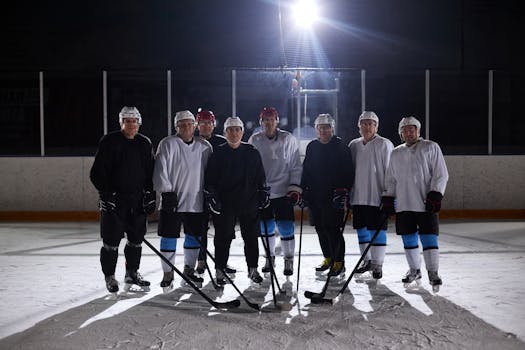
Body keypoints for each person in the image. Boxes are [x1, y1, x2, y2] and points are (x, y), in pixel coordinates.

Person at [90, 106, 155, 295]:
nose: (131, 124)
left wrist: (150, 194)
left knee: (135, 240)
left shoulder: (144, 143)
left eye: (134, 121)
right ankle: (109, 276)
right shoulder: (109, 141)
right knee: (111, 242)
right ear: (121, 123)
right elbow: (96, 173)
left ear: (139, 123)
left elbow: (150, 172)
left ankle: (132, 273)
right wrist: (106, 194)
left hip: (136, 202)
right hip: (114, 201)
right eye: (127, 121)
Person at [382, 116, 449, 291]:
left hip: (426, 204)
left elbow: (441, 174)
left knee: (429, 239)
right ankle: (414, 270)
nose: (408, 132)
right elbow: (391, 179)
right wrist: (389, 197)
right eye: (405, 130)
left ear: (418, 131)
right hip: (404, 204)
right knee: (408, 239)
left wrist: (436, 194)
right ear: (400, 133)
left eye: (412, 129)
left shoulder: (430, 147)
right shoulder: (396, 152)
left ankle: (433, 272)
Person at [204, 116, 268, 286]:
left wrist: (263, 191)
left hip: (249, 201)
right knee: (223, 238)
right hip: (225, 204)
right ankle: (220, 269)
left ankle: (253, 269)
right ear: (225, 133)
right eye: (230, 130)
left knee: (251, 237)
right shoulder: (218, 153)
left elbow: (260, 176)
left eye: (237, 129)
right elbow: (210, 180)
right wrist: (213, 196)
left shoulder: (252, 152)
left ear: (242, 131)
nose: (234, 133)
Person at [153, 110, 213, 290]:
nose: (186, 127)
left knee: (193, 237)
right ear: (176, 127)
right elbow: (160, 169)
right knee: (169, 236)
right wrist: (166, 192)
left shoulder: (205, 146)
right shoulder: (167, 144)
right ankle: (168, 273)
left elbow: (210, 173)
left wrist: (210, 193)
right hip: (172, 202)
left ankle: (189, 270)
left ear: (194, 126)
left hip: (195, 200)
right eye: (182, 125)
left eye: (189, 124)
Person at [248, 107, 303, 276]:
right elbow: (250, 167)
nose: (268, 122)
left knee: (286, 227)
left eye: (271, 119)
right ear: (261, 122)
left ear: (277, 121)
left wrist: (294, 186)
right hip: (263, 191)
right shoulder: (255, 139)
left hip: (284, 191)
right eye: (265, 119)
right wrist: (254, 187)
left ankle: (288, 259)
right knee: (266, 228)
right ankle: (269, 257)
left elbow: (295, 164)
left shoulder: (288, 138)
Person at [301, 114, 354, 277]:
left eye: (326, 127)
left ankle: (339, 262)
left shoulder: (340, 146)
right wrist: (303, 190)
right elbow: (306, 170)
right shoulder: (312, 146)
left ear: (332, 128)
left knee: (332, 229)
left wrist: (344, 190)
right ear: (316, 129)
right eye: (320, 127)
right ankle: (328, 258)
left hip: (333, 196)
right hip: (315, 196)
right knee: (320, 228)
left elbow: (348, 171)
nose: (323, 130)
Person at [348, 111, 394, 280]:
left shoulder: (384, 144)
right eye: (364, 123)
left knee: (377, 229)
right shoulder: (353, 145)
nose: (367, 126)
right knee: (361, 229)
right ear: (359, 126)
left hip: (377, 195)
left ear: (376, 126)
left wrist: (389, 194)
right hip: (358, 195)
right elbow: (349, 170)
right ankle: (366, 261)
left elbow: (391, 171)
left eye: (370, 124)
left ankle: (377, 264)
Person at [193, 109, 237, 276]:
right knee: (200, 229)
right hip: (198, 192)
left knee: (224, 230)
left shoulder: (222, 142)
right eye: (202, 123)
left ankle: (222, 261)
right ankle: (201, 262)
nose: (206, 126)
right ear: (197, 125)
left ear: (213, 124)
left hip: (221, 194)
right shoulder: (193, 142)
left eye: (209, 122)